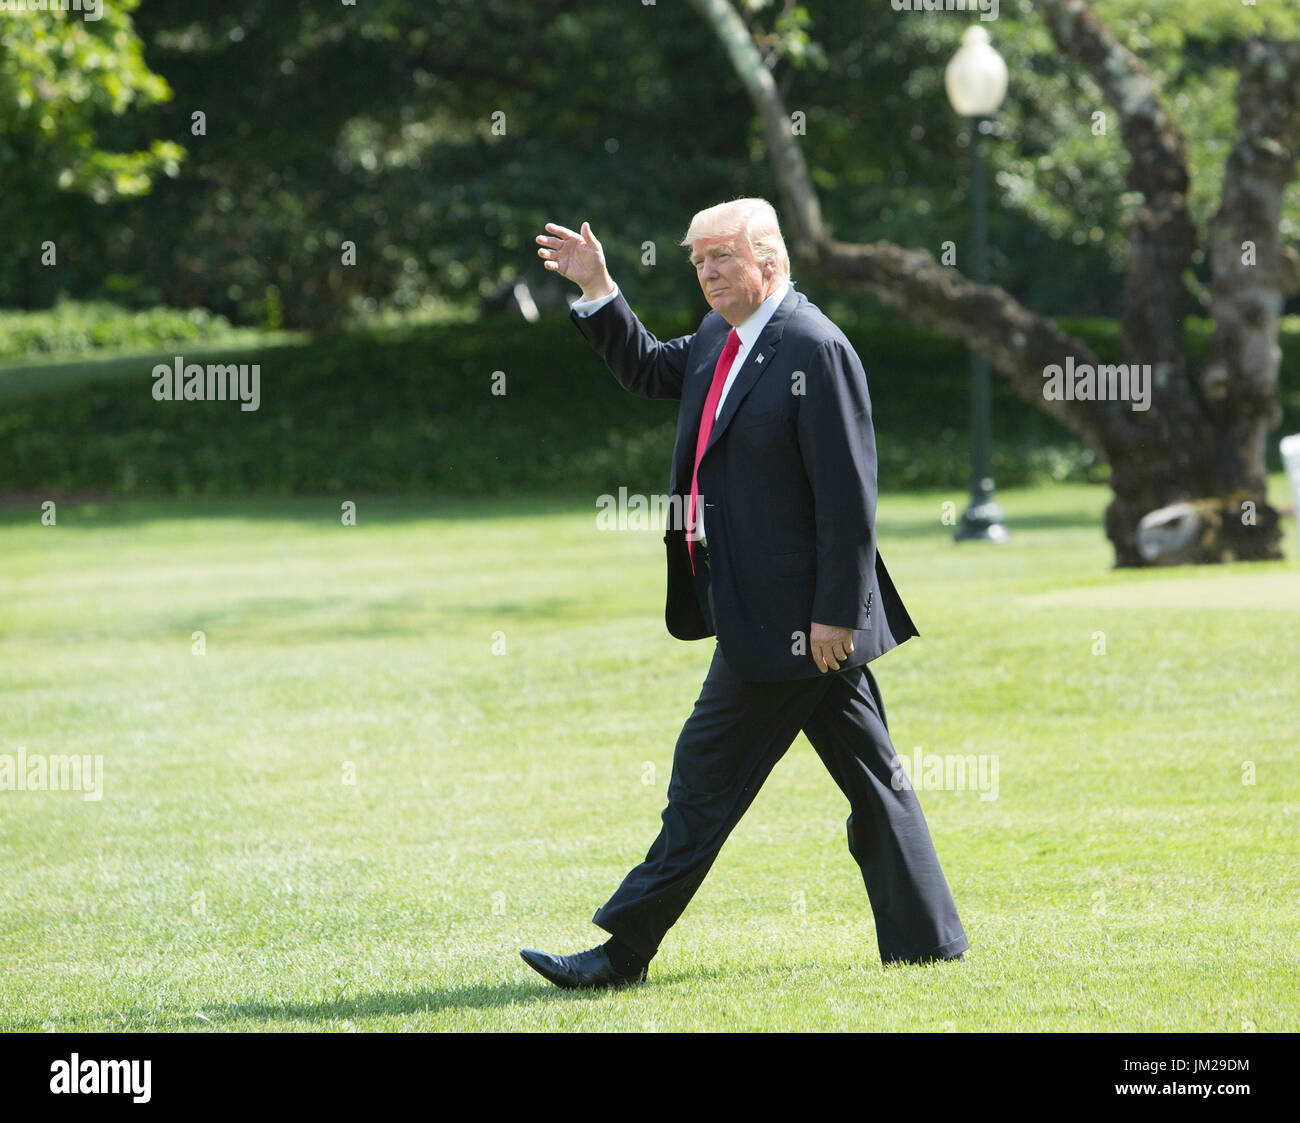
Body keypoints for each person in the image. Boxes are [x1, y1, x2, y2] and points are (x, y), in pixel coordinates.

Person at [522, 198, 968, 989]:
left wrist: (835, 612)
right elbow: (647, 367)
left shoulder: (814, 345)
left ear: (771, 257)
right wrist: (599, 289)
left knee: (702, 779)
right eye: (698, 261)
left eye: (721, 257)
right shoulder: (719, 340)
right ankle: (929, 943)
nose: (707, 272)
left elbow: (847, 496)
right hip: (755, 610)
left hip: (795, 626)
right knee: (875, 780)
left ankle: (622, 952)